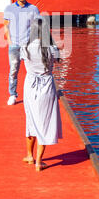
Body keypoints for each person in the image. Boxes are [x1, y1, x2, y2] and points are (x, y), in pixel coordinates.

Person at [20, 18, 62, 172]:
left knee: (30, 120)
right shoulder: (51, 48)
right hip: (46, 86)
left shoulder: (25, 47)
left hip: (30, 86)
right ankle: (38, 161)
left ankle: (29, 155)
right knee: (44, 123)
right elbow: (57, 60)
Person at [4, 0, 40, 106]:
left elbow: (38, 27)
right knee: (13, 70)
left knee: (33, 70)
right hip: (14, 45)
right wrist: (9, 41)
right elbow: (5, 26)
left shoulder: (33, 9)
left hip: (29, 45)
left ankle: (34, 93)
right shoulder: (9, 9)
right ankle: (12, 94)